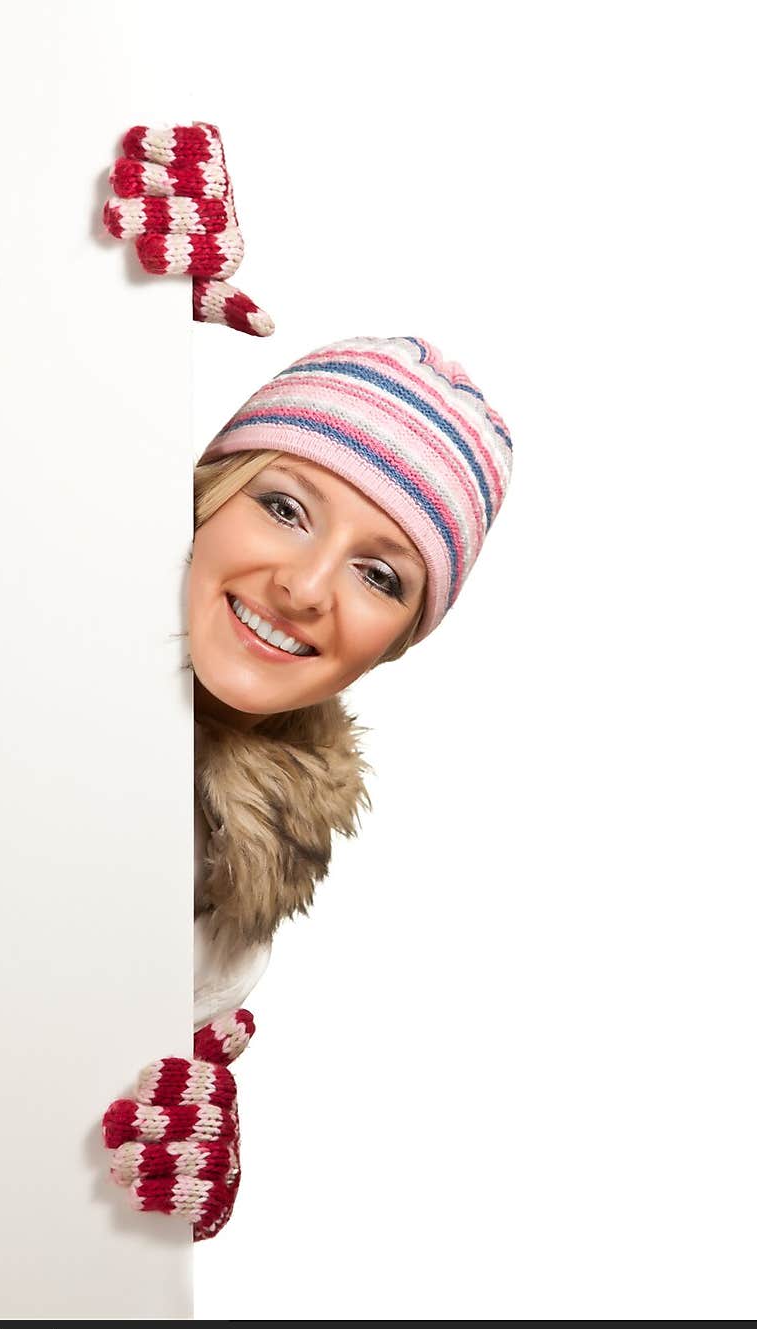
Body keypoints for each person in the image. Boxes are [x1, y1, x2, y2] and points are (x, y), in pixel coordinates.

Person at [102, 335, 513, 1240]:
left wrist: (163, 1143)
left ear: (397, 639)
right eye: (285, 507)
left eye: (379, 575)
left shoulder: (245, 878)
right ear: (206, 494)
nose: (304, 586)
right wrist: (87, 258)